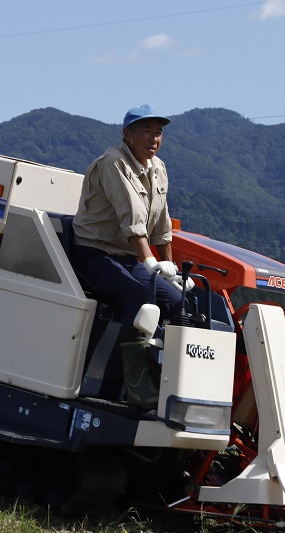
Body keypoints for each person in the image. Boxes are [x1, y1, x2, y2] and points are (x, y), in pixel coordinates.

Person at [71, 104, 193, 406]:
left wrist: (173, 271)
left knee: (178, 302)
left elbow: (162, 226)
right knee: (140, 300)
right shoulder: (114, 162)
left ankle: (170, 383)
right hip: (93, 253)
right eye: (146, 131)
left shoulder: (158, 168)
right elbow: (133, 219)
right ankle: (122, 390)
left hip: (126, 258)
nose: (154, 138)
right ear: (127, 134)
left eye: (159, 132)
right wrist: (151, 262)